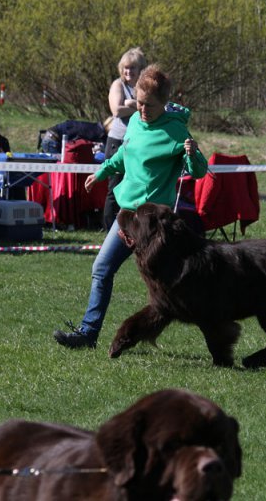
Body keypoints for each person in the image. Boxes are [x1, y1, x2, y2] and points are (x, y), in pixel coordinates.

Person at [54, 64, 208, 349]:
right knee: (102, 267)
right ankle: (88, 333)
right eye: (138, 102)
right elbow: (125, 153)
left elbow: (198, 172)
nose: (142, 109)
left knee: (168, 285)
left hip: (154, 225)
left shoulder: (176, 132)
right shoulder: (136, 121)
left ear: (164, 103)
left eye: (148, 104)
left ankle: (213, 326)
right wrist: (101, 172)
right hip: (128, 217)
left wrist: (193, 153)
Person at [103, 47, 147, 231]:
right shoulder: (118, 85)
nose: (128, 72)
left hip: (137, 144)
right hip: (118, 143)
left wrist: (136, 104)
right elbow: (117, 110)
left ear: (140, 70)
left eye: (133, 68)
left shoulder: (143, 87)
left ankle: (130, 229)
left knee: (134, 188)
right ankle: (109, 230)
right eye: (126, 68)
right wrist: (141, 106)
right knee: (115, 189)